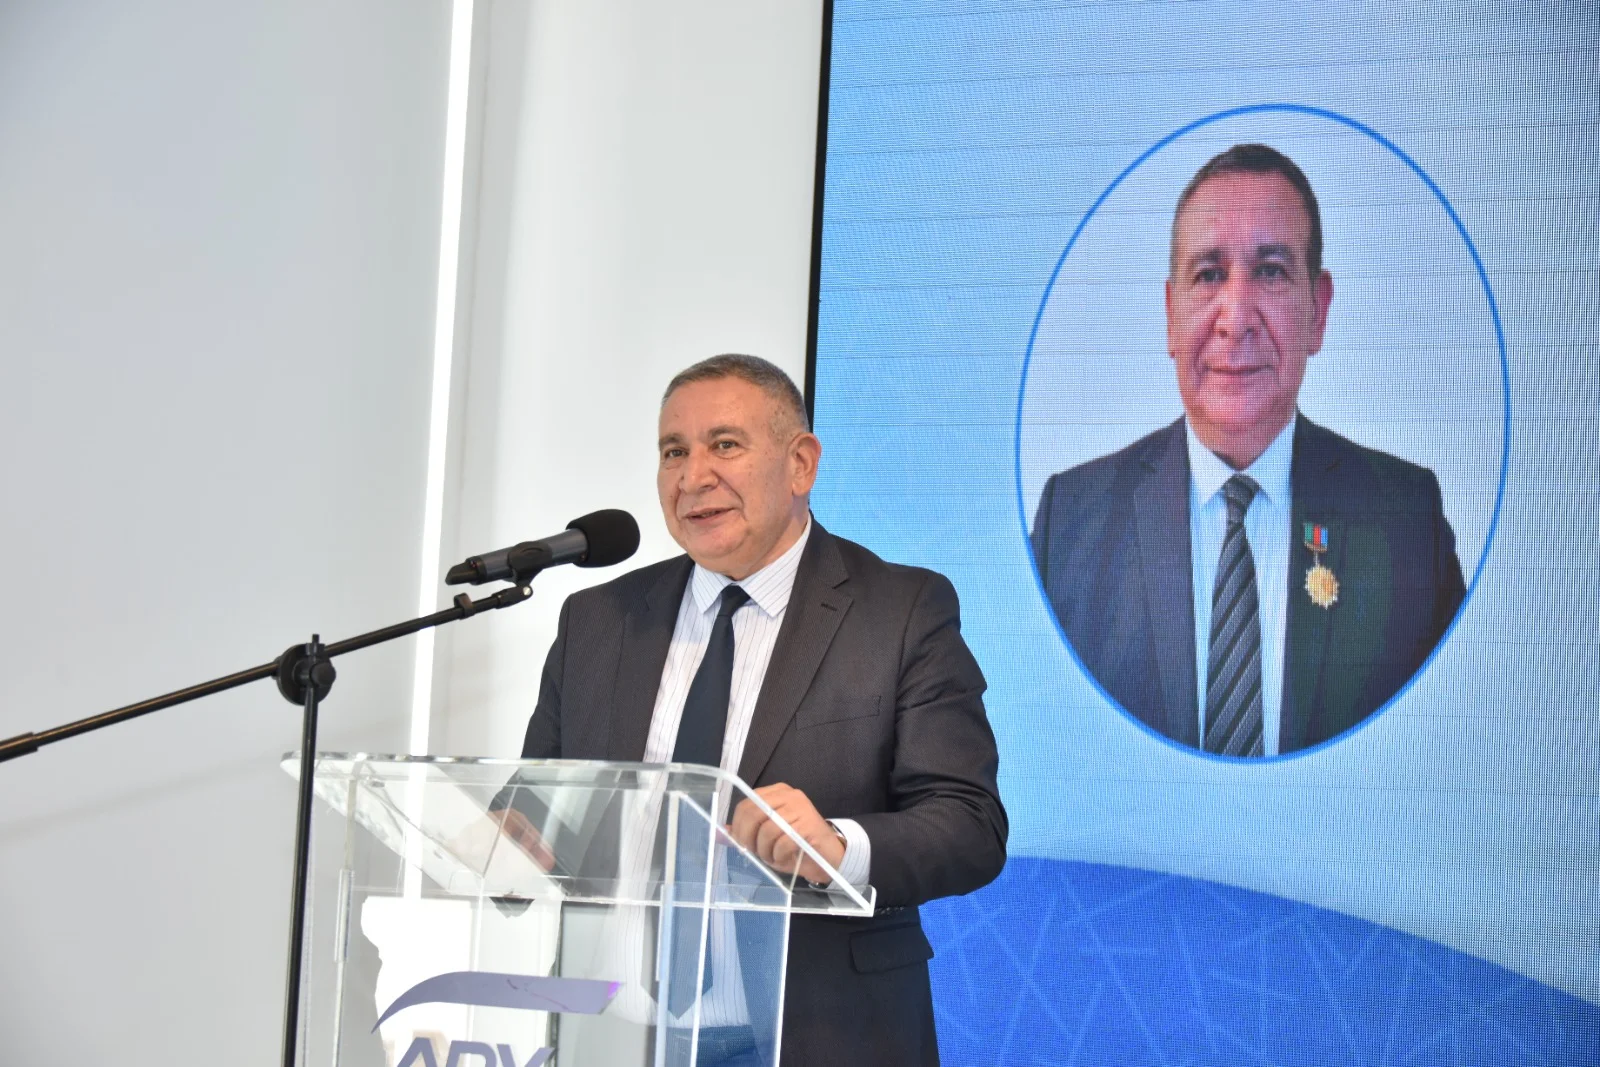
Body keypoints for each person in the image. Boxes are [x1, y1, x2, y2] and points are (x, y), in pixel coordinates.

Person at [514, 353, 1007, 1065]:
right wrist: (503, 841)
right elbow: (535, 810)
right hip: (614, 1034)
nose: (692, 476)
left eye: (724, 445)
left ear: (800, 463)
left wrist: (838, 846)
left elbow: (969, 825)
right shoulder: (599, 620)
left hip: (819, 1033)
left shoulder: (899, 612)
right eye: (673, 451)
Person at [1031, 144, 1465, 757]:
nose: (1236, 318)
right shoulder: (1071, 523)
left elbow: (1451, 748)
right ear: (1171, 313)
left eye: (1270, 272)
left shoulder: (1405, 518)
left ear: (1318, 311)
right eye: (1209, 274)